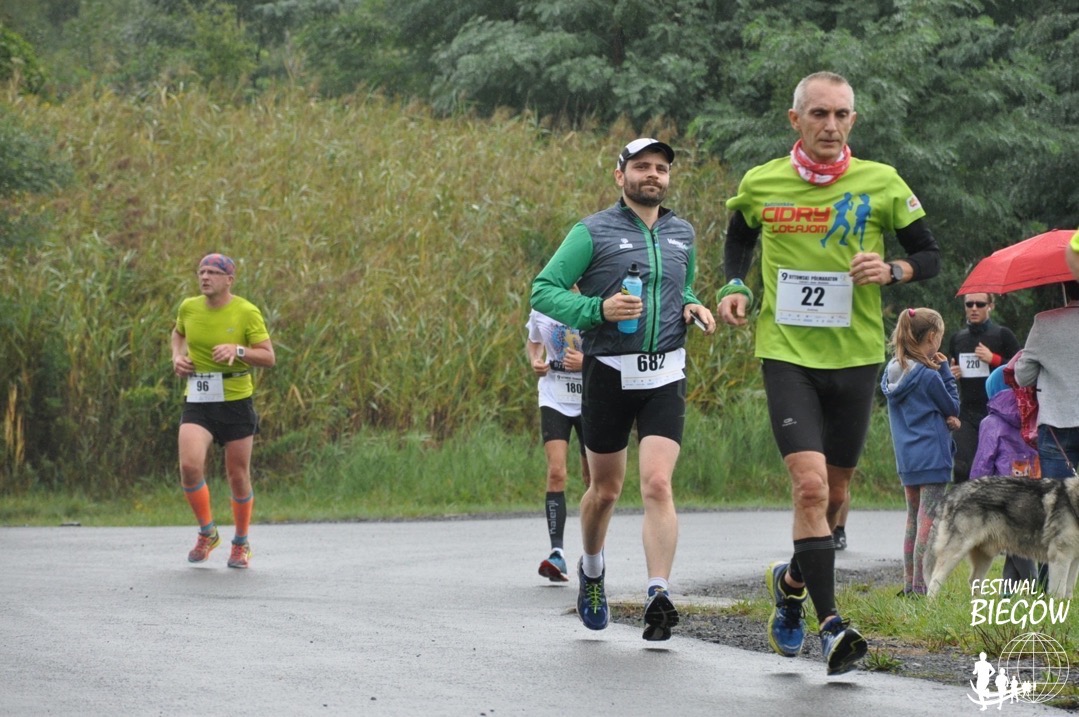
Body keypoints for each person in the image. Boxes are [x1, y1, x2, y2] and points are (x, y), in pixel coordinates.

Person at [717, 71, 941, 675]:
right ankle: (831, 625)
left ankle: (791, 584)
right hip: (787, 354)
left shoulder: (882, 181)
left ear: (853, 121)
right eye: (819, 114)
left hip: (857, 357)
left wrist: (892, 270)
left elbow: (929, 255)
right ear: (796, 119)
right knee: (811, 488)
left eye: (842, 115)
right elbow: (738, 240)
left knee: (837, 495)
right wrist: (735, 284)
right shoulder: (762, 182)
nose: (831, 125)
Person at [531, 137, 717, 641]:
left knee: (657, 483)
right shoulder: (591, 231)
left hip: (665, 374)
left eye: (661, 168)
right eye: (642, 166)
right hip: (609, 372)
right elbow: (543, 290)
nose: (653, 174)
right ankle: (592, 571)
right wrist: (597, 310)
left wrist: (693, 305)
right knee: (605, 490)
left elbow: (682, 287)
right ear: (620, 176)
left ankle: (659, 593)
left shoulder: (682, 233)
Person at [171, 253, 275, 569]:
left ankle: (241, 543)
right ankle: (207, 533)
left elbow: (268, 357)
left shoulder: (246, 311)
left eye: (213, 272)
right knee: (189, 466)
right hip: (199, 400)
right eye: (201, 271)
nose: (205, 277)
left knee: (237, 475)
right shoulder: (189, 307)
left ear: (229, 280)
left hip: (236, 400)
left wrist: (238, 350)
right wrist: (177, 357)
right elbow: (178, 333)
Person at [880, 308, 959, 596]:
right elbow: (952, 406)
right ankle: (921, 587)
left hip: (907, 458)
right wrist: (946, 372)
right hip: (933, 456)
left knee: (912, 520)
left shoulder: (891, 372)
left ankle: (908, 584)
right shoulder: (928, 376)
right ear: (932, 336)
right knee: (929, 522)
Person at [526, 308, 591, 582]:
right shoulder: (543, 303)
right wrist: (536, 359)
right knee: (556, 471)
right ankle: (557, 553)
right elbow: (534, 340)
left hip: (591, 397)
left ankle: (593, 555)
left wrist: (587, 362)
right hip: (554, 397)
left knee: (594, 480)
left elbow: (616, 348)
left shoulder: (597, 296)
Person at [970, 364, 1040, 586]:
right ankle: (1007, 593)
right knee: (1016, 542)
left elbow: (983, 461)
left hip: (1003, 495)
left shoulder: (990, 423)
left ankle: (1035, 587)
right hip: (1033, 490)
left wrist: (975, 493)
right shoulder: (1033, 419)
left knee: (1015, 543)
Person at [946, 293, 1020, 482]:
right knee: (962, 466)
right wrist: (952, 373)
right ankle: (961, 501)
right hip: (967, 413)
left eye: (979, 304)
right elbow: (948, 372)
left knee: (998, 468)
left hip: (1000, 415)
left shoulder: (1003, 335)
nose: (974, 308)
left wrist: (994, 359)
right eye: (969, 304)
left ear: (990, 306)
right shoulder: (957, 338)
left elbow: (1022, 368)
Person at [1014, 281, 1079, 479]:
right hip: (1056, 425)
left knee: (1057, 496)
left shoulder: (1044, 322)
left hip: (1056, 423)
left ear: (1066, 287)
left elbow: (1023, 377)